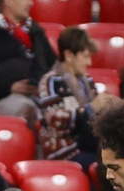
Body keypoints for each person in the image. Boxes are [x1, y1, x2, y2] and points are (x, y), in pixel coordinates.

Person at [38, 26, 109, 168]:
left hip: (89, 146)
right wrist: (90, 109)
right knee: (104, 168)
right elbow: (54, 120)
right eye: (85, 56)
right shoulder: (51, 81)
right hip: (64, 150)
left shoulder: (87, 81)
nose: (89, 63)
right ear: (69, 55)